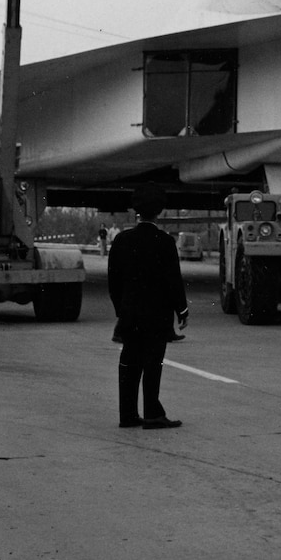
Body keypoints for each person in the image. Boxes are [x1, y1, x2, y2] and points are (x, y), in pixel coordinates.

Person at [108, 184, 189, 429]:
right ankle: (153, 413)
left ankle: (128, 414)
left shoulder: (121, 240)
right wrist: (181, 310)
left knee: (129, 362)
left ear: (137, 211)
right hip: (157, 316)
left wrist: (121, 309)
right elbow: (174, 280)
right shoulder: (164, 241)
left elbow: (114, 281)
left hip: (129, 315)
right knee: (153, 363)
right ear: (160, 212)